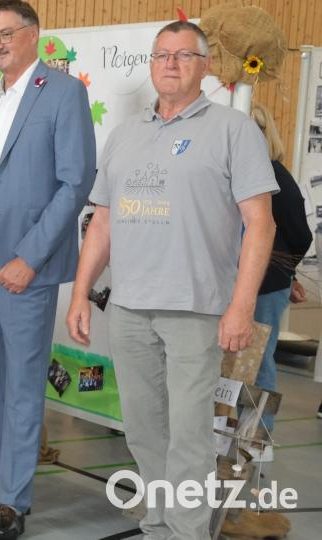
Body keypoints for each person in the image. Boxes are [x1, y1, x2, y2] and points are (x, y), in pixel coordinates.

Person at [66, 21, 278, 540]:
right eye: (162, 54)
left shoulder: (233, 129)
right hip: (131, 308)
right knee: (142, 430)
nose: (171, 63)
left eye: (184, 55)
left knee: (187, 435)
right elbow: (103, 223)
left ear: (205, 67)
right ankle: (160, 523)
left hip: (196, 308)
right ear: (152, 64)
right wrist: (78, 294)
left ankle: (185, 534)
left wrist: (241, 306)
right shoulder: (125, 134)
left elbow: (261, 223)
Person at [0, 2, 96, 538]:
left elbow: (74, 183)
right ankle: (0, 481)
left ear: (34, 35)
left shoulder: (63, 92)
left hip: (23, 263)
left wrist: (28, 259)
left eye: (5, 34)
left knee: (23, 382)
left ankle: (15, 501)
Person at [245, 102, 312, 461]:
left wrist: (285, 271)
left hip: (267, 285)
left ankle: (256, 444)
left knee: (260, 363)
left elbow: (300, 235)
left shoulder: (276, 176)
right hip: (239, 282)